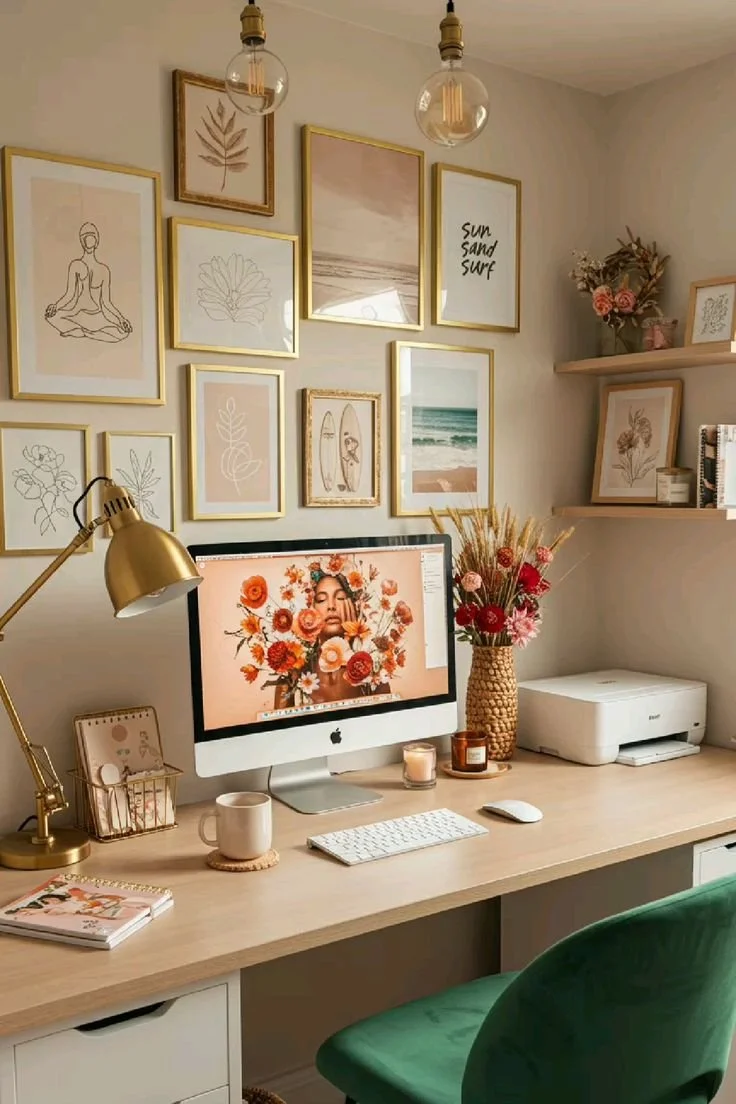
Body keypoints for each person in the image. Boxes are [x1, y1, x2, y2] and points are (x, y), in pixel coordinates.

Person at [44, 222, 132, 342]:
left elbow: (106, 302)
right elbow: (69, 295)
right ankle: (85, 332)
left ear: (96, 242)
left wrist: (121, 320)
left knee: (122, 333)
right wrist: (55, 307)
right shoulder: (76, 265)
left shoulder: (103, 270)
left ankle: (82, 332)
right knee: (52, 317)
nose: (89, 242)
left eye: (92, 238)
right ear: (82, 242)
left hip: (98, 316)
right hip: (79, 314)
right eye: (86, 238)